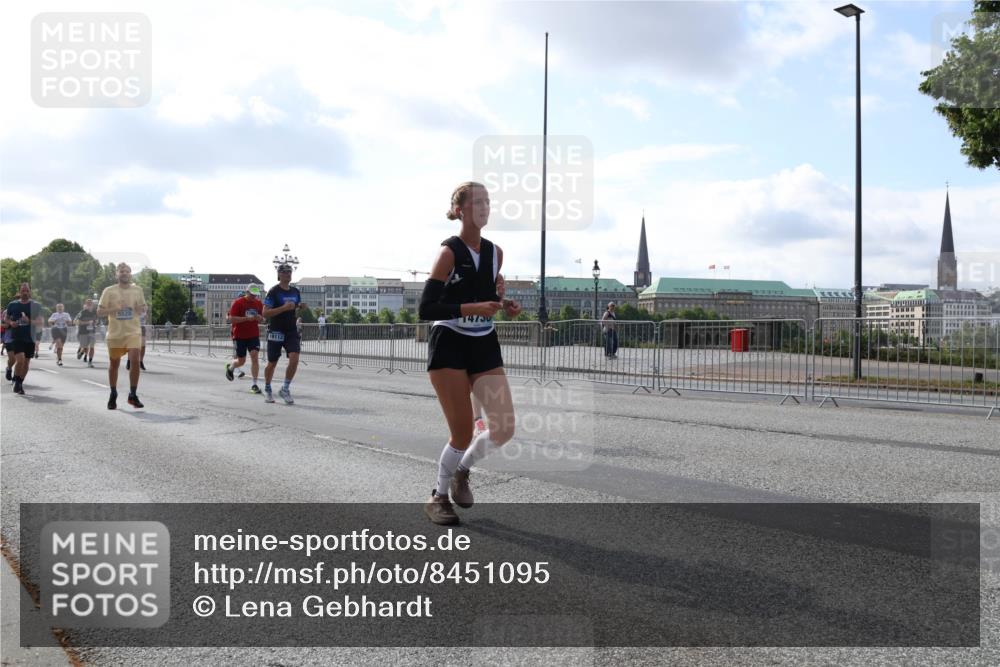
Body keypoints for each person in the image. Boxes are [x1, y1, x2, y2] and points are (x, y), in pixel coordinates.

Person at [418, 181, 521, 525]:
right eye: (478, 202)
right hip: (449, 340)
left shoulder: (496, 252)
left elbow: (485, 291)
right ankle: (438, 496)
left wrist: (505, 304)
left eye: (488, 202)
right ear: (461, 211)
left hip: (483, 340)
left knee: (504, 427)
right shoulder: (448, 253)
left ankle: (462, 470)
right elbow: (427, 308)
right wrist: (473, 306)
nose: (485, 208)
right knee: (462, 433)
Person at [96, 263, 147, 409]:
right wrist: (117, 308)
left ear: (130, 274)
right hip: (115, 333)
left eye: (127, 271)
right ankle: (113, 393)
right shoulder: (109, 291)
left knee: (135, 360)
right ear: (116, 274)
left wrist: (140, 308)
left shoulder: (138, 290)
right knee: (114, 365)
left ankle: (133, 394)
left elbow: (143, 308)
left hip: (133, 331)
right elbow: (99, 312)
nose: (124, 273)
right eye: (121, 271)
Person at [262, 264, 306, 404]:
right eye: (285, 272)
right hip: (276, 330)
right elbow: (265, 313)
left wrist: (300, 308)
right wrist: (283, 308)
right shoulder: (274, 291)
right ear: (279, 274)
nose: (288, 274)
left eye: (290, 271)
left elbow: (294, 309)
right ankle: (268, 389)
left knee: (294, 358)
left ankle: (285, 389)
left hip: (291, 330)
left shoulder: (295, 291)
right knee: (272, 362)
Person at [4, 283, 44, 395]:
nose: (25, 292)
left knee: (26, 363)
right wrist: (11, 322)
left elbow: (40, 322)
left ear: (30, 292)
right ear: (19, 292)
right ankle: (16, 379)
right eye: (23, 291)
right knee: (20, 360)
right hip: (17, 336)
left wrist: (29, 321)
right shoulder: (12, 305)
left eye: (27, 290)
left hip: (30, 338)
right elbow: (6, 319)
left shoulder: (36, 305)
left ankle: (19, 382)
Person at [227, 284, 265, 394]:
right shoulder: (238, 303)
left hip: (253, 334)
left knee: (254, 356)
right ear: (247, 292)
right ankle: (231, 366)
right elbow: (231, 319)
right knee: (241, 361)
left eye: (255, 295)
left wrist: (260, 318)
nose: (254, 297)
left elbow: (263, 318)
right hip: (239, 335)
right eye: (252, 295)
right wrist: (246, 319)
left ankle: (254, 384)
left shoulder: (258, 303)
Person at [75, 298, 98, 366]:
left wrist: (95, 322)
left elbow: (96, 320)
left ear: (93, 305)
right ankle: (81, 352)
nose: (89, 305)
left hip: (92, 332)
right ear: (85, 304)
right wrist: (87, 322)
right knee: (85, 347)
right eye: (88, 303)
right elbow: (77, 322)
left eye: (91, 303)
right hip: (83, 332)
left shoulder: (95, 312)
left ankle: (90, 362)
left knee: (92, 347)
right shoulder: (82, 312)